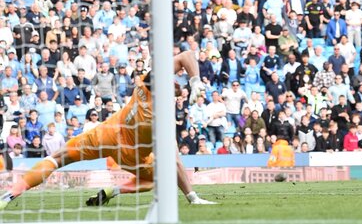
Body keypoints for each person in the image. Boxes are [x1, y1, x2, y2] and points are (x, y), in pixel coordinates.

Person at [0, 51, 215, 210]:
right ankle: (115, 190)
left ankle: (8, 196)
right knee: (155, 178)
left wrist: (194, 81)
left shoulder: (144, 85)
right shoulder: (163, 119)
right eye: (174, 82)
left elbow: (183, 58)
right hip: (130, 154)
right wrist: (192, 196)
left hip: (107, 132)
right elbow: (175, 161)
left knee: (59, 157)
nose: (177, 82)